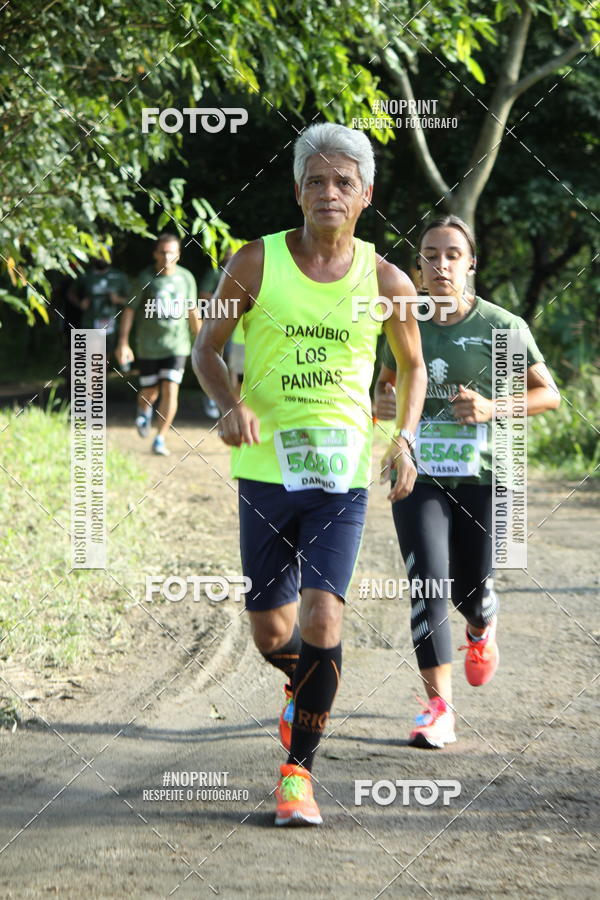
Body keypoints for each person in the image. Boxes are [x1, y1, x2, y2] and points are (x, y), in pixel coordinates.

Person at [193, 122, 427, 826]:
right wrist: (229, 404)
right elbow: (207, 349)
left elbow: (413, 367)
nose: (329, 192)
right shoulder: (254, 262)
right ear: (297, 190)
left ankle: (297, 773)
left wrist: (405, 436)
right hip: (266, 471)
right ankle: (306, 690)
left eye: (343, 182)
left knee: (325, 613)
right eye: (316, 180)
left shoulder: (386, 280)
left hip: (341, 476)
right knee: (272, 632)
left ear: (366, 195)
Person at [373, 214, 560, 749]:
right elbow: (387, 387)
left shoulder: (502, 326)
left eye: (452, 255)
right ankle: (439, 709)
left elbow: (548, 395)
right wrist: (382, 403)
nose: (441, 265)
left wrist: (491, 407)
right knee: (428, 584)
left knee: (469, 591)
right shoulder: (404, 322)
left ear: (470, 263)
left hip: (485, 476)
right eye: (430, 256)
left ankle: (481, 623)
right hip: (419, 474)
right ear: (418, 266)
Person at [116, 233, 200, 456]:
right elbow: (129, 310)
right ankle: (144, 409)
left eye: (171, 252)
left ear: (178, 255)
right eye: (162, 252)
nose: (167, 257)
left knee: (171, 388)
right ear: (155, 254)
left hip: (177, 346)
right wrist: (123, 343)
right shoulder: (145, 278)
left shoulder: (187, 278)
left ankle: (160, 437)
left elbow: (192, 311)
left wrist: (202, 341)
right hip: (149, 346)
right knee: (150, 391)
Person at [73, 250, 130, 357]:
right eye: (100, 255)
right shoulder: (86, 275)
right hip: (89, 323)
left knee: (104, 357)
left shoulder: (120, 277)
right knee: (90, 357)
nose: (102, 258)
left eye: (105, 255)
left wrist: (118, 299)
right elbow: (71, 293)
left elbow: (131, 301)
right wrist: (80, 303)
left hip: (111, 324)